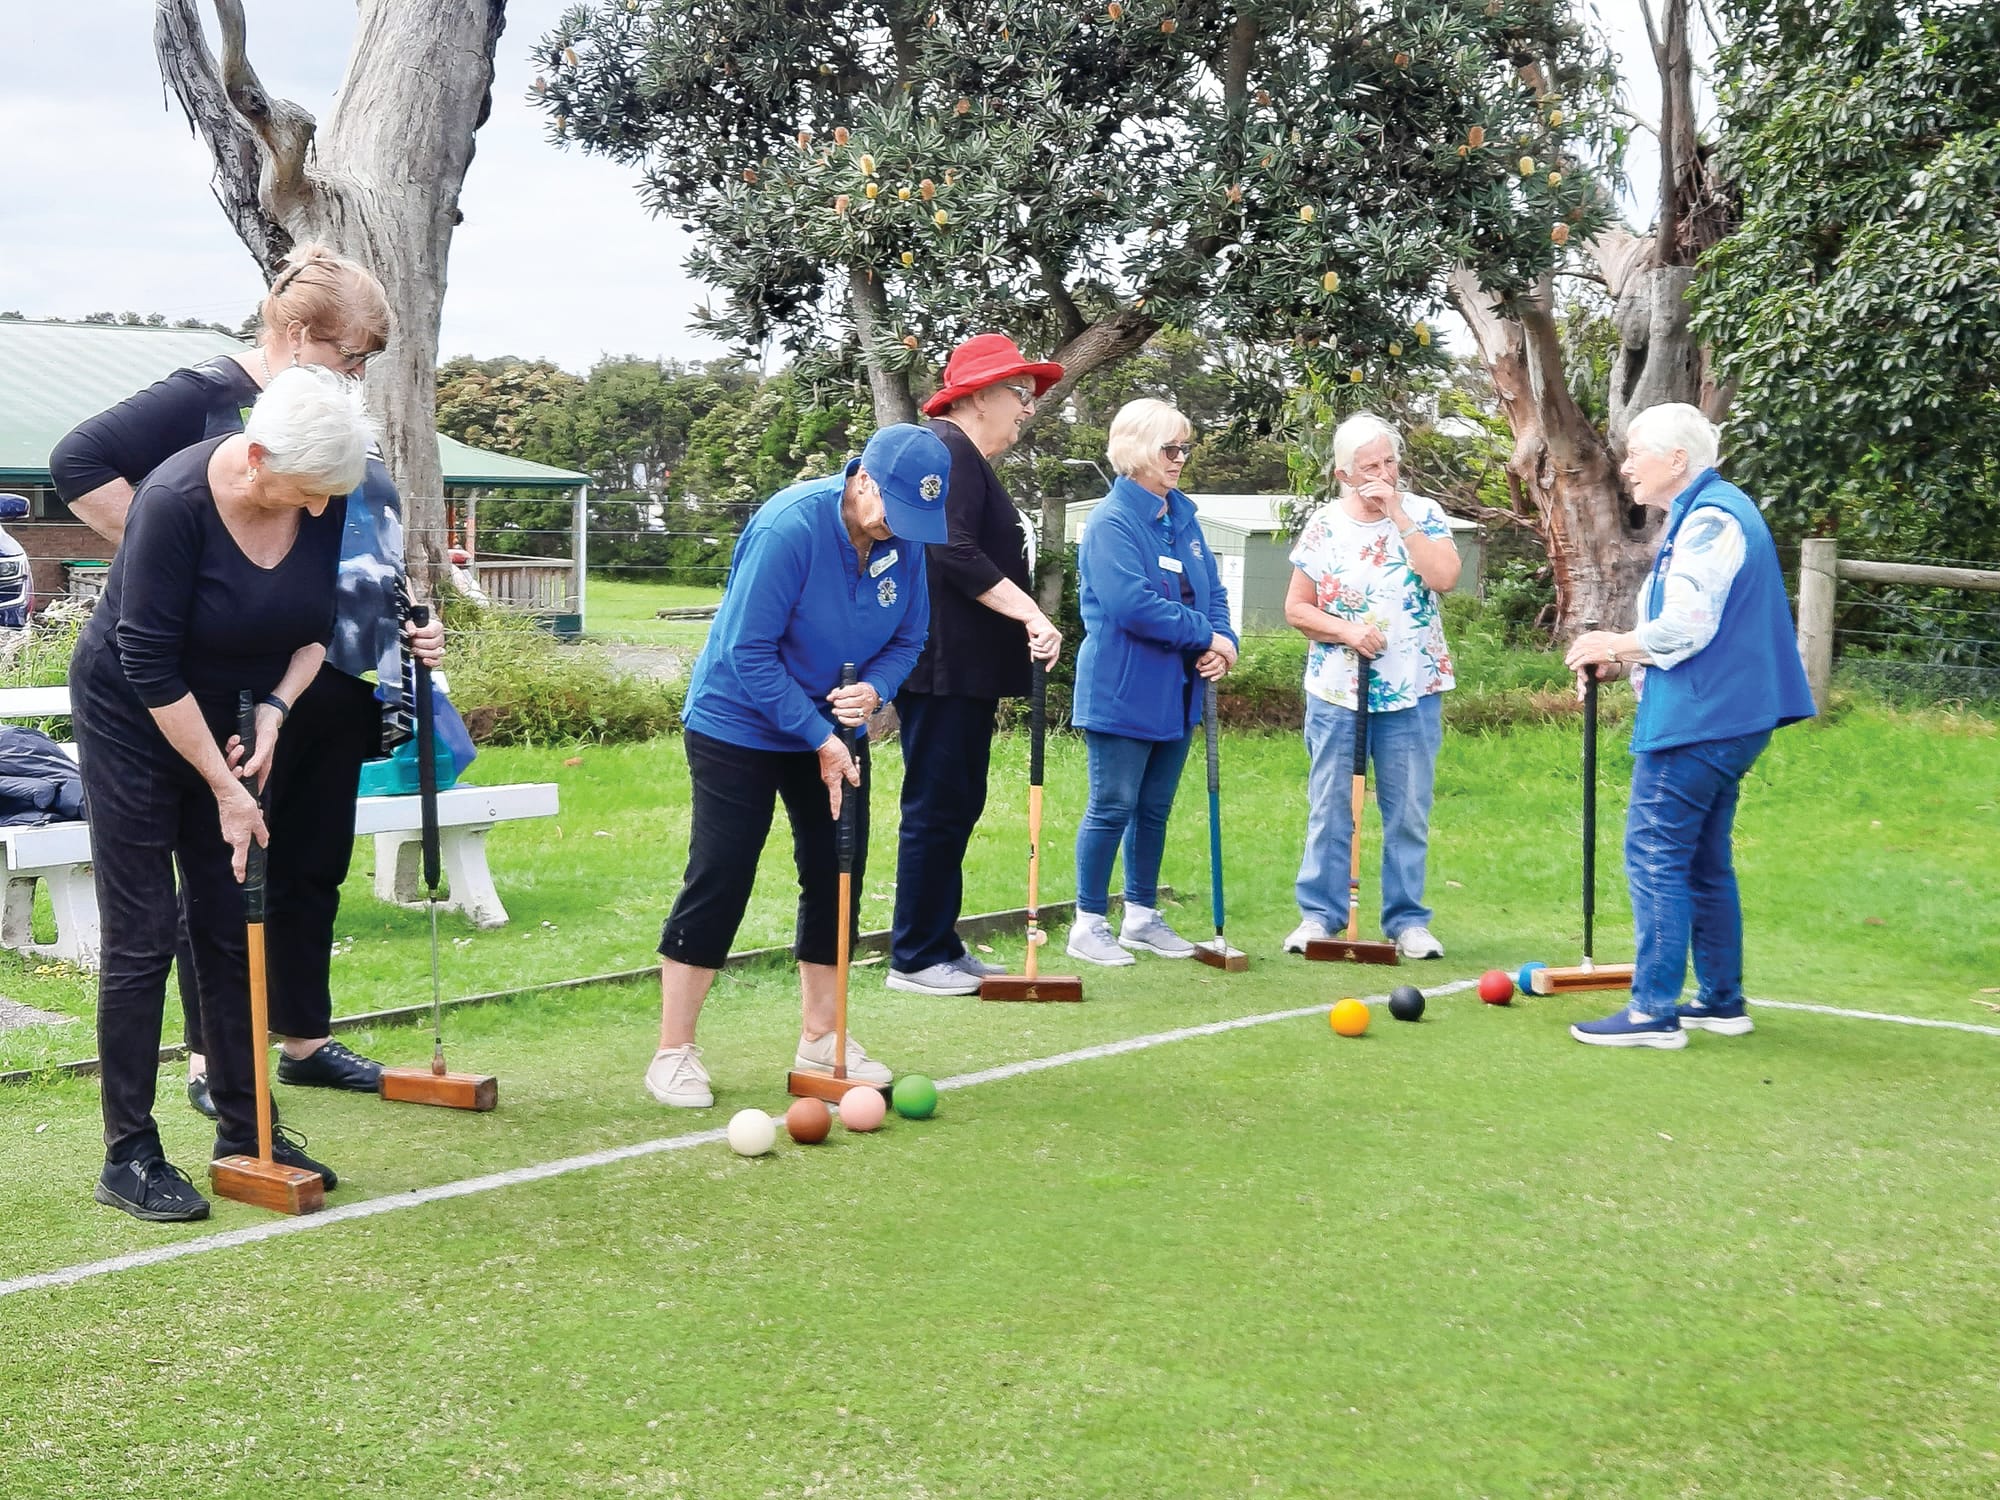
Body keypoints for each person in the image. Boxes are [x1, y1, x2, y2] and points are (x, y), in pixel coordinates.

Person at [50, 244, 444, 1117]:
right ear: (301, 334)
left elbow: (360, 538)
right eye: (352, 354)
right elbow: (78, 463)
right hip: (189, 678)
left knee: (304, 865)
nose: (359, 373)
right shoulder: (208, 399)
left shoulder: (333, 426)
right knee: (203, 888)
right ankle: (206, 1069)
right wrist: (179, 581)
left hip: (315, 666)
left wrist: (408, 612)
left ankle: (296, 1042)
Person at [74, 367, 370, 1221]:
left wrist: (276, 710)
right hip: (136, 712)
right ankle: (128, 1152)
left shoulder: (319, 491)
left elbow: (313, 629)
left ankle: (248, 1131)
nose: (318, 511)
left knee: (232, 919)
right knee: (141, 934)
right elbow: (147, 661)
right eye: (307, 492)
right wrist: (223, 787)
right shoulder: (174, 501)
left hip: (234, 715)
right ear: (256, 458)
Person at [646, 424, 951, 1108]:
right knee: (722, 872)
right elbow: (747, 651)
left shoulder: (905, 543)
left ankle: (822, 1038)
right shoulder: (791, 526)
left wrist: (877, 691)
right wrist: (818, 735)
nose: (899, 529)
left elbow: (910, 636)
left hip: (837, 725)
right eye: (892, 511)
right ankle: (674, 1052)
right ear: (864, 479)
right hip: (739, 721)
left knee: (837, 869)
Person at [1564, 403, 1815, 1049]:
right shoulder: (1707, 513)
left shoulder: (1709, 519)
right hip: (1724, 712)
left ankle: (1652, 1012)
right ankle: (1722, 1002)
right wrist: (1621, 656)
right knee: (1702, 860)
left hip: (1704, 718)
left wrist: (1612, 645)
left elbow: (1686, 627)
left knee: (1654, 853)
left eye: (1636, 453)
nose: (1624, 467)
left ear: (1677, 459)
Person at [888, 334, 1066, 995]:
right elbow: (950, 551)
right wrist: (1031, 613)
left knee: (957, 804)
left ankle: (939, 941)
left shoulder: (960, 457)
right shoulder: (946, 451)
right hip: (941, 667)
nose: (1026, 409)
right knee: (937, 807)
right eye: (1020, 394)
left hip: (963, 671)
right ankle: (914, 957)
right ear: (979, 396)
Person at [1064, 399, 1236, 967]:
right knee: (1112, 804)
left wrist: (1224, 640)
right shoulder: (1112, 522)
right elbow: (1131, 605)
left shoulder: (1182, 515)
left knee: (1154, 808)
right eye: (1170, 448)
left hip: (1177, 690)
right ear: (1137, 451)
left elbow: (1211, 590)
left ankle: (1140, 915)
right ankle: (1089, 922)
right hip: (1121, 686)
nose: (1180, 458)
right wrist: (1203, 637)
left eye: (1185, 447)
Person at [1282, 413, 1460, 960]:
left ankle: (1407, 921)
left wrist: (1400, 516)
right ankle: (1320, 916)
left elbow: (1444, 578)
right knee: (1331, 806)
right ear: (1343, 474)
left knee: (1407, 808)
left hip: (1413, 687)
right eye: (1370, 467)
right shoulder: (1324, 524)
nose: (1383, 473)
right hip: (1338, 691)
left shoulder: (1424, 514)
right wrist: (1346, 631)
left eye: (1390, 462)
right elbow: (1296, 608)